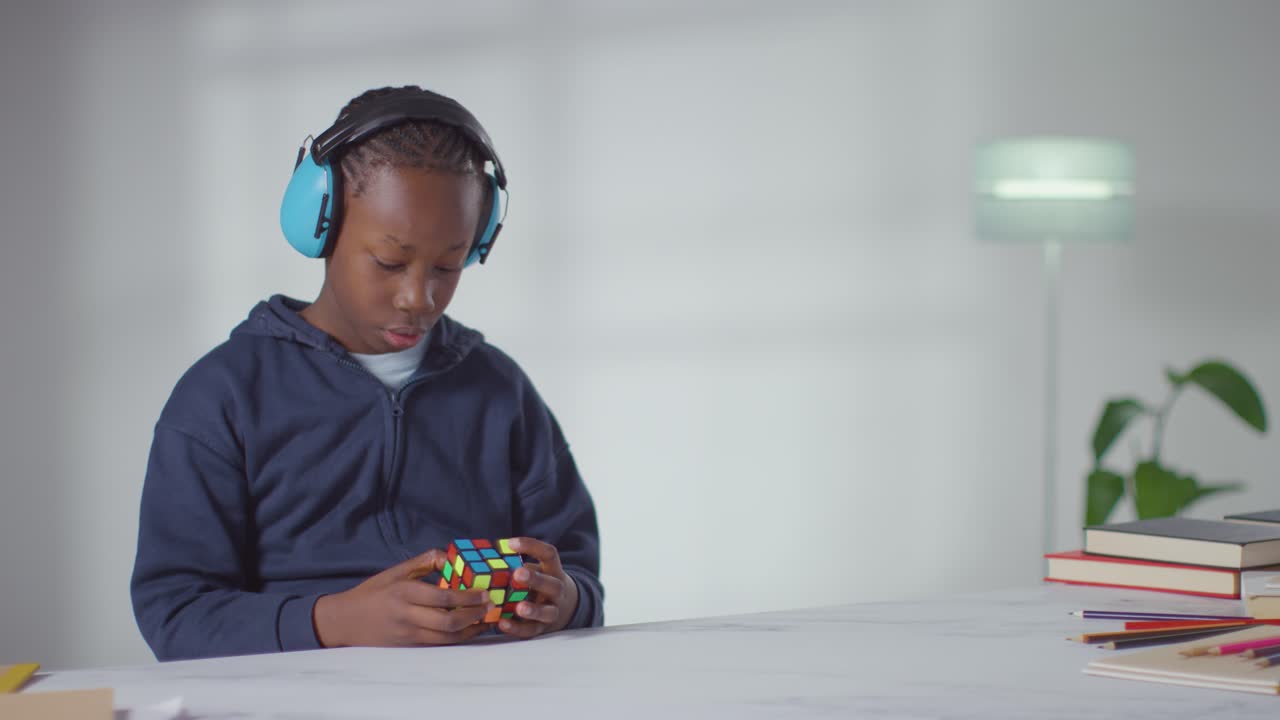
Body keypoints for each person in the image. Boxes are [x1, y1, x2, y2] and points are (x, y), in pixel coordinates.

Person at [130, 85, 603, 661]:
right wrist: (337, 620)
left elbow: (576, 572)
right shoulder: (222, 397)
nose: (418, 298)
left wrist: (568, 599)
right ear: (320, 225)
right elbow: (175, 613)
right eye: (389, 262)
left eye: (449, 266)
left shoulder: (499, 390)